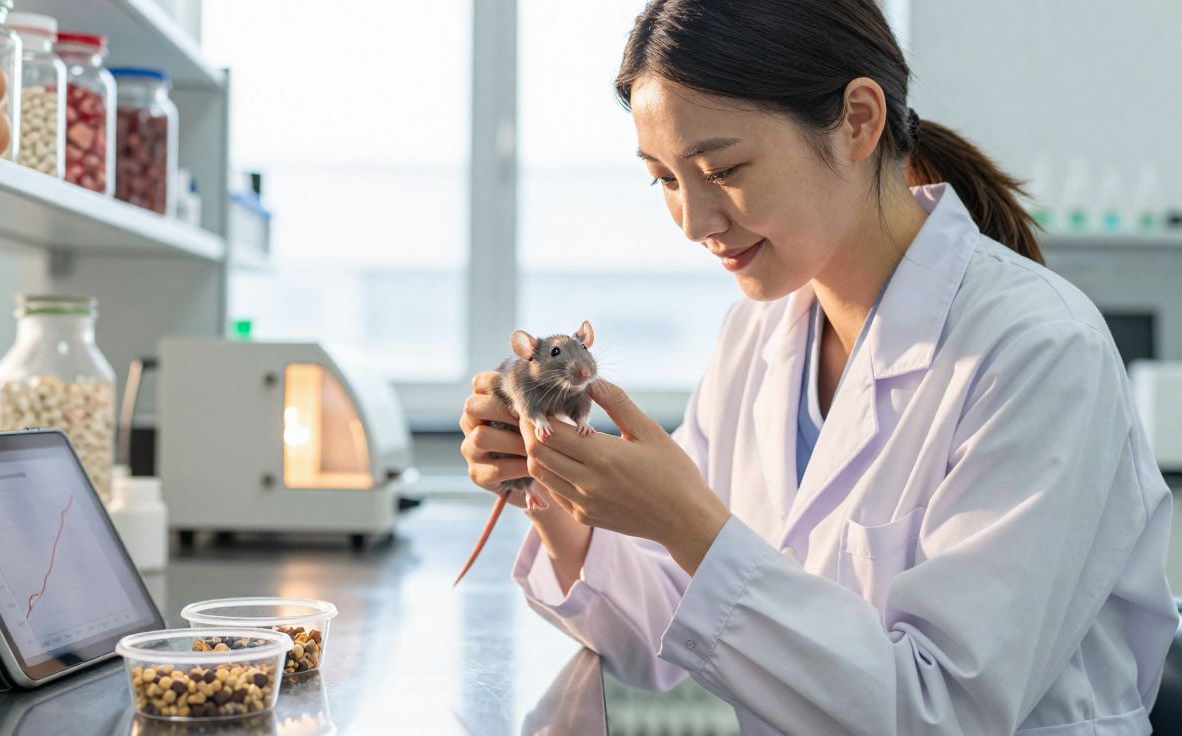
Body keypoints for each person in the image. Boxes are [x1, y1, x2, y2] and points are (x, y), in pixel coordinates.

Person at [458, 1, 1179, 733]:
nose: (695, 223)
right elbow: (667, 633)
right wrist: (553, 491)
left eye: (722, 169)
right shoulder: (757, 337)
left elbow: (943, 711)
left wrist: (691, 524)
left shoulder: (1039, 351)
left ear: (858, 121)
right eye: (666, 180)